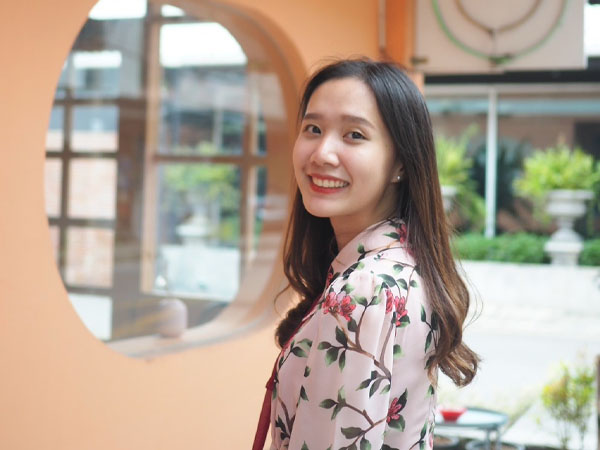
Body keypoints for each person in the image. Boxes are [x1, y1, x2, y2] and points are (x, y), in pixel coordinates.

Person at [253, 59, 479, 450]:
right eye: (313, 129)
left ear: (401, 163)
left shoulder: (365, 289)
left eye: (354, 135)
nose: (322, 153)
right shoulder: (400, 266)